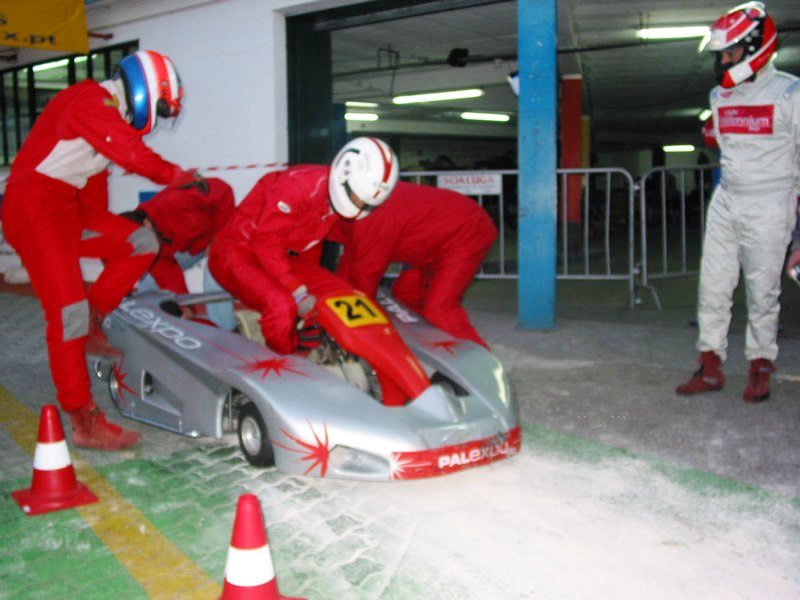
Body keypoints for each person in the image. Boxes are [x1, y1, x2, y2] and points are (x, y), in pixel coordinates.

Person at [1, 50, 206, 450]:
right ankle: (83, 419)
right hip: (32, 209)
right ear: (149, 90)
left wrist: (115, 232)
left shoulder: (103, 124)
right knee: (67, 311)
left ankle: (94, 322)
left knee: (141, 242)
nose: (159, 119)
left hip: (66, 213)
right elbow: (130, 151)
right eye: (162, 109)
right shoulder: (91, 100)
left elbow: (93, 208)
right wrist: (176, 176)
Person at [676, 2, 800, 403]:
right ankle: (710, 366)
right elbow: (722, 143)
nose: (723, 61)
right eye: (721, 54)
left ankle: (760, 365)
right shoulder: (719, 95)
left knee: (762, 291)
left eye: (729, 53)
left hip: (772, 201)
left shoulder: (791, 94)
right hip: (727, 197)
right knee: (712, 285)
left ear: (755, 48)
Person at [208, 137, 399, 354]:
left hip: (280, 255)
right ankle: (286, 370)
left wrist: (307, 291)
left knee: (343, 295)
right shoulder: (299, 186)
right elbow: (265, 242)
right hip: (237, 250)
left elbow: (310, 246)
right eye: (357, 199)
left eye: (366, 204)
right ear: (344, 177)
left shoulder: (336, 199)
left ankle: (323, 354)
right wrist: (296, 290)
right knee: (281, 306)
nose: (360, 206)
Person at [329, 181, 498, 349]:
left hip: (466, 230)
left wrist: (350, 329)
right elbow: (348, 269)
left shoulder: (367, 214)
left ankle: (483, 365)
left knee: (439, 309)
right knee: (405, 292)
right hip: (434, 243)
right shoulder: (351, 211)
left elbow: (365, 277)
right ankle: (435, 351)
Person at [120, 177, 237, 327]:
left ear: (147, 224)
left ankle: (225, 332)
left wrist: (218, 239)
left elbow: (223, 190)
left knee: (214, 273)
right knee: (149, 283)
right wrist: (186, 307)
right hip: (196, 245)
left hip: (226, 233)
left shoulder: (174, 201)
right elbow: (169, 276)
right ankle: (159, 329)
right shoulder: (149, 245)